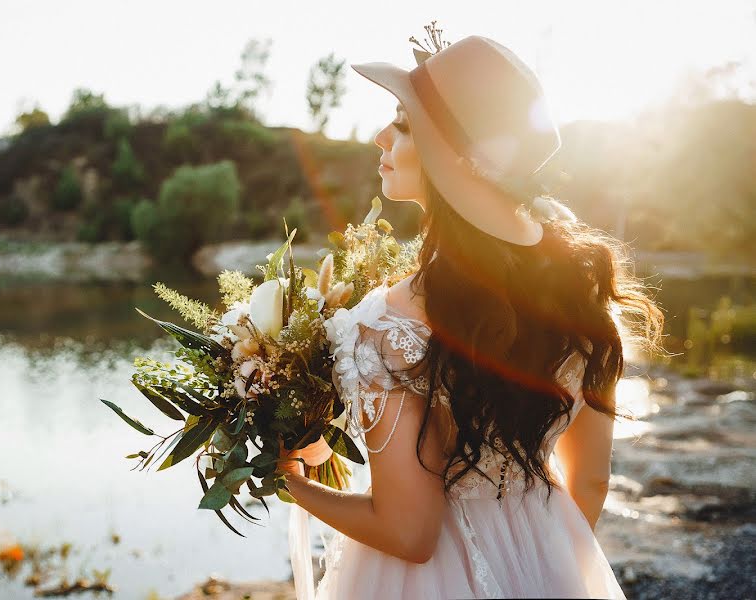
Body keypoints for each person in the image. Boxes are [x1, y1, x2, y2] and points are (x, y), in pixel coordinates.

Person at [275, 32, 665, 599]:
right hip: (549, 561)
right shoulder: (581, 292)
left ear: (451, 156)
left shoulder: (390, 319)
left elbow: (410, 534)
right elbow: (593, 479)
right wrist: (542, 561)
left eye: (403, 125)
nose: (380, 137)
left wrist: (292, 483)